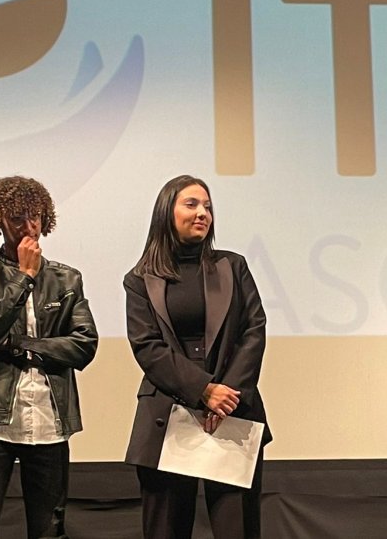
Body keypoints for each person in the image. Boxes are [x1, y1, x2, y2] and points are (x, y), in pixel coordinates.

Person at [0, 175, 98, 539]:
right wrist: (25, 277)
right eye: (17, 219)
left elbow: (84, 345)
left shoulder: (67, 279)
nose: (28, 227)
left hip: (49, 423)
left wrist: (19, 345)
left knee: (50, 532)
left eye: (35, 217)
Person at [124, 174, 270, 539]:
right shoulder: (140, 278)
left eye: (207, 206)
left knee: (237, 527)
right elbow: (147, 347)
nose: (202, 212)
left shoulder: (232, 266)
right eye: (191, 204)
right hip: (166, 413)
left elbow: (254, 329)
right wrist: (203, 390)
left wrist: (225, 395)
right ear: (166, 212)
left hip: (233, 410)